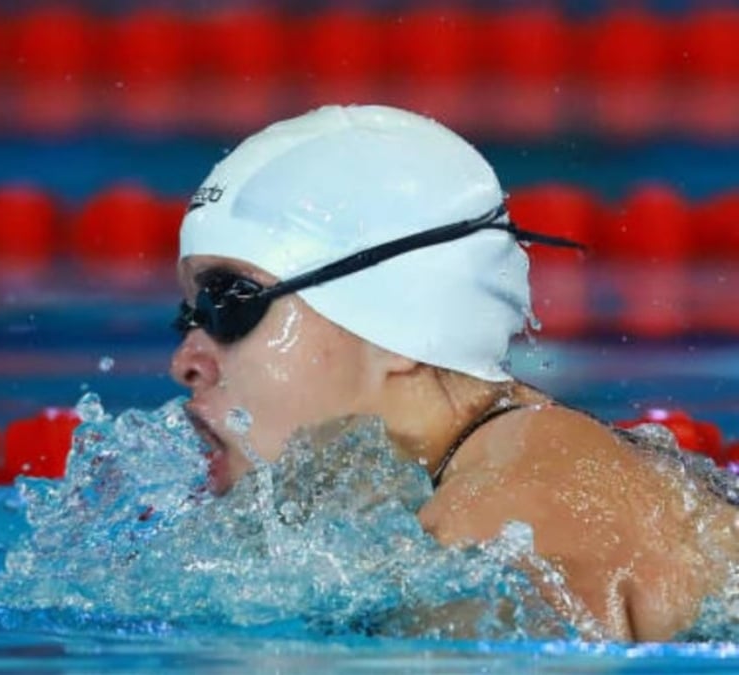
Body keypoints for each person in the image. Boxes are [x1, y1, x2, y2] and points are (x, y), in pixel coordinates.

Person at [168, 105, 738, 642]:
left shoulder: (501, 525)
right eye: (188, 316)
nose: (186, 360)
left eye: (230, 304)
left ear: (396, 316)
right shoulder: (509, 464)